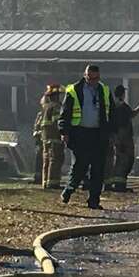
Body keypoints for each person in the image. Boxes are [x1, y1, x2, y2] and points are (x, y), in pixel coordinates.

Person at [58, 64, 114, 209]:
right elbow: (65, 113)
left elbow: (112, 114)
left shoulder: (104, 90)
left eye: (96, 78)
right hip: (80, 133)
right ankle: (68, 191)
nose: (93, 81)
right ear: (85, 76)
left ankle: (94, 201)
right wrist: (64, 132)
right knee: (80, 166)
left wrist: (112, 133)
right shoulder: (74, 90)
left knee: (98, 168)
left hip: (98, 134)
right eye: (90, 78)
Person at [105, 85, 139, 192]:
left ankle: (117, 184)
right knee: (124, 160)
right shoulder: (121, 106)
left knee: (121, 160)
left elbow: (130, 115)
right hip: (123, 137)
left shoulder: (114, 106)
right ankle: (119, 185)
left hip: (119, 137)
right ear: (122, 94)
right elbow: (131, 115)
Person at [34, 84, 65, 190]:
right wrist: (63, 133)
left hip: (45, 138)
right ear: (55, 96)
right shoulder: (56, 107)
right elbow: (57, 122)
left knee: (46, 160)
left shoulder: (45, 108)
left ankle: (45, 182)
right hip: (55, 137)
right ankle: (53, 183)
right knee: (55, 160)